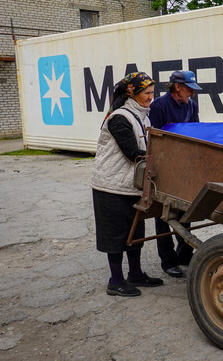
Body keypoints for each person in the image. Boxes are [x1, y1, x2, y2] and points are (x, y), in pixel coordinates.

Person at [91, 72, 164, 297]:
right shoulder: (119, 117)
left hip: (131, 185)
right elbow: (133, 153)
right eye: (147, 93)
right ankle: (115, 280)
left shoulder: (143, 116)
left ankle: (135, 273)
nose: (151, 97)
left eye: (152, 92)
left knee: (135, 232)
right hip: (110, 186)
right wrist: (165, 156)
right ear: (132, 93)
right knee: (116, 236)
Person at [148, 70, 202, 278]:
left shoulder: (192, 106)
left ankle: (184, 253)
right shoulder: (159, 106)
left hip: (185, 166)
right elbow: (154, 140)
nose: (192, 94)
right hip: (165, 167)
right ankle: (168, 261)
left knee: (185, 210)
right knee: (164, 214)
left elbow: (197, 134)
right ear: (177, 87)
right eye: (189, 89)